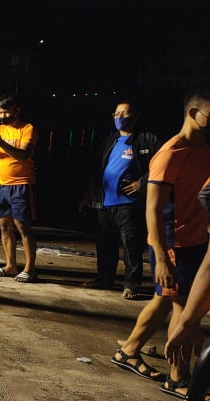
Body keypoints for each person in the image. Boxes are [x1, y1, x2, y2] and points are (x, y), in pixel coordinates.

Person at [110, 87, 210, 395]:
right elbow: (153, 209)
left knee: (163, 300)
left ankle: (129, 350)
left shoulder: (204, 149)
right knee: (182, 308)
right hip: (173, 244)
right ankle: (178, 377)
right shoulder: (169, 154)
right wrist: (162, 257)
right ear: (193, 113)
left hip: (196, 241)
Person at [80, 99, 161, 299]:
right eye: (116, 114)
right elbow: (98, 170)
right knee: (105, 245)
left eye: (124, 113)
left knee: (131, 246)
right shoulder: (110, 140)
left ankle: (132, 285)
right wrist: (88, 196)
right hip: (104, 203)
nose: (119, 118)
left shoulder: (147, 140)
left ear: (136, 116)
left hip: (129, 204)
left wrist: (142, 183)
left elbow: (162, 166)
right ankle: (104, 279)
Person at [0, 95, 39, 282]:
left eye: (6, 112)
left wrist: (1, 143)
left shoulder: (27, 129)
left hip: (22, 183)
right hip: (2, 184)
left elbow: (24, 155)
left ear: (17, 111)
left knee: (22, 225)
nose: (3, 116)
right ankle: (10, 265)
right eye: (0, 112)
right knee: (4, 225)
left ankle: (30, 268)